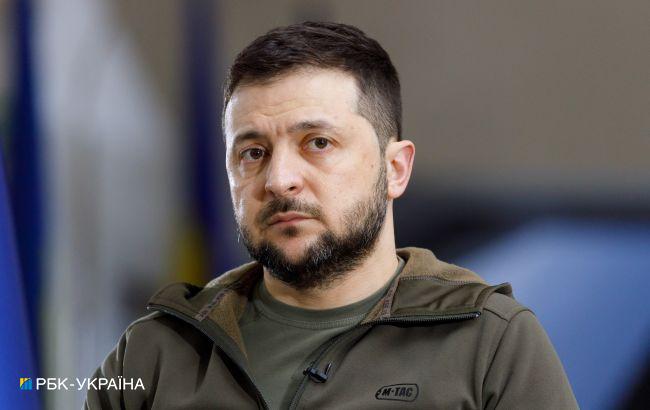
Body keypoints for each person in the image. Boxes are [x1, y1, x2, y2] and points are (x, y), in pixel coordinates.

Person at [85, 21, 577, 409]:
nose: (279, 179)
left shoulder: (489, 342)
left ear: (395, 169)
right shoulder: (154, 353)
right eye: (253, 152)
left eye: (318, 143)